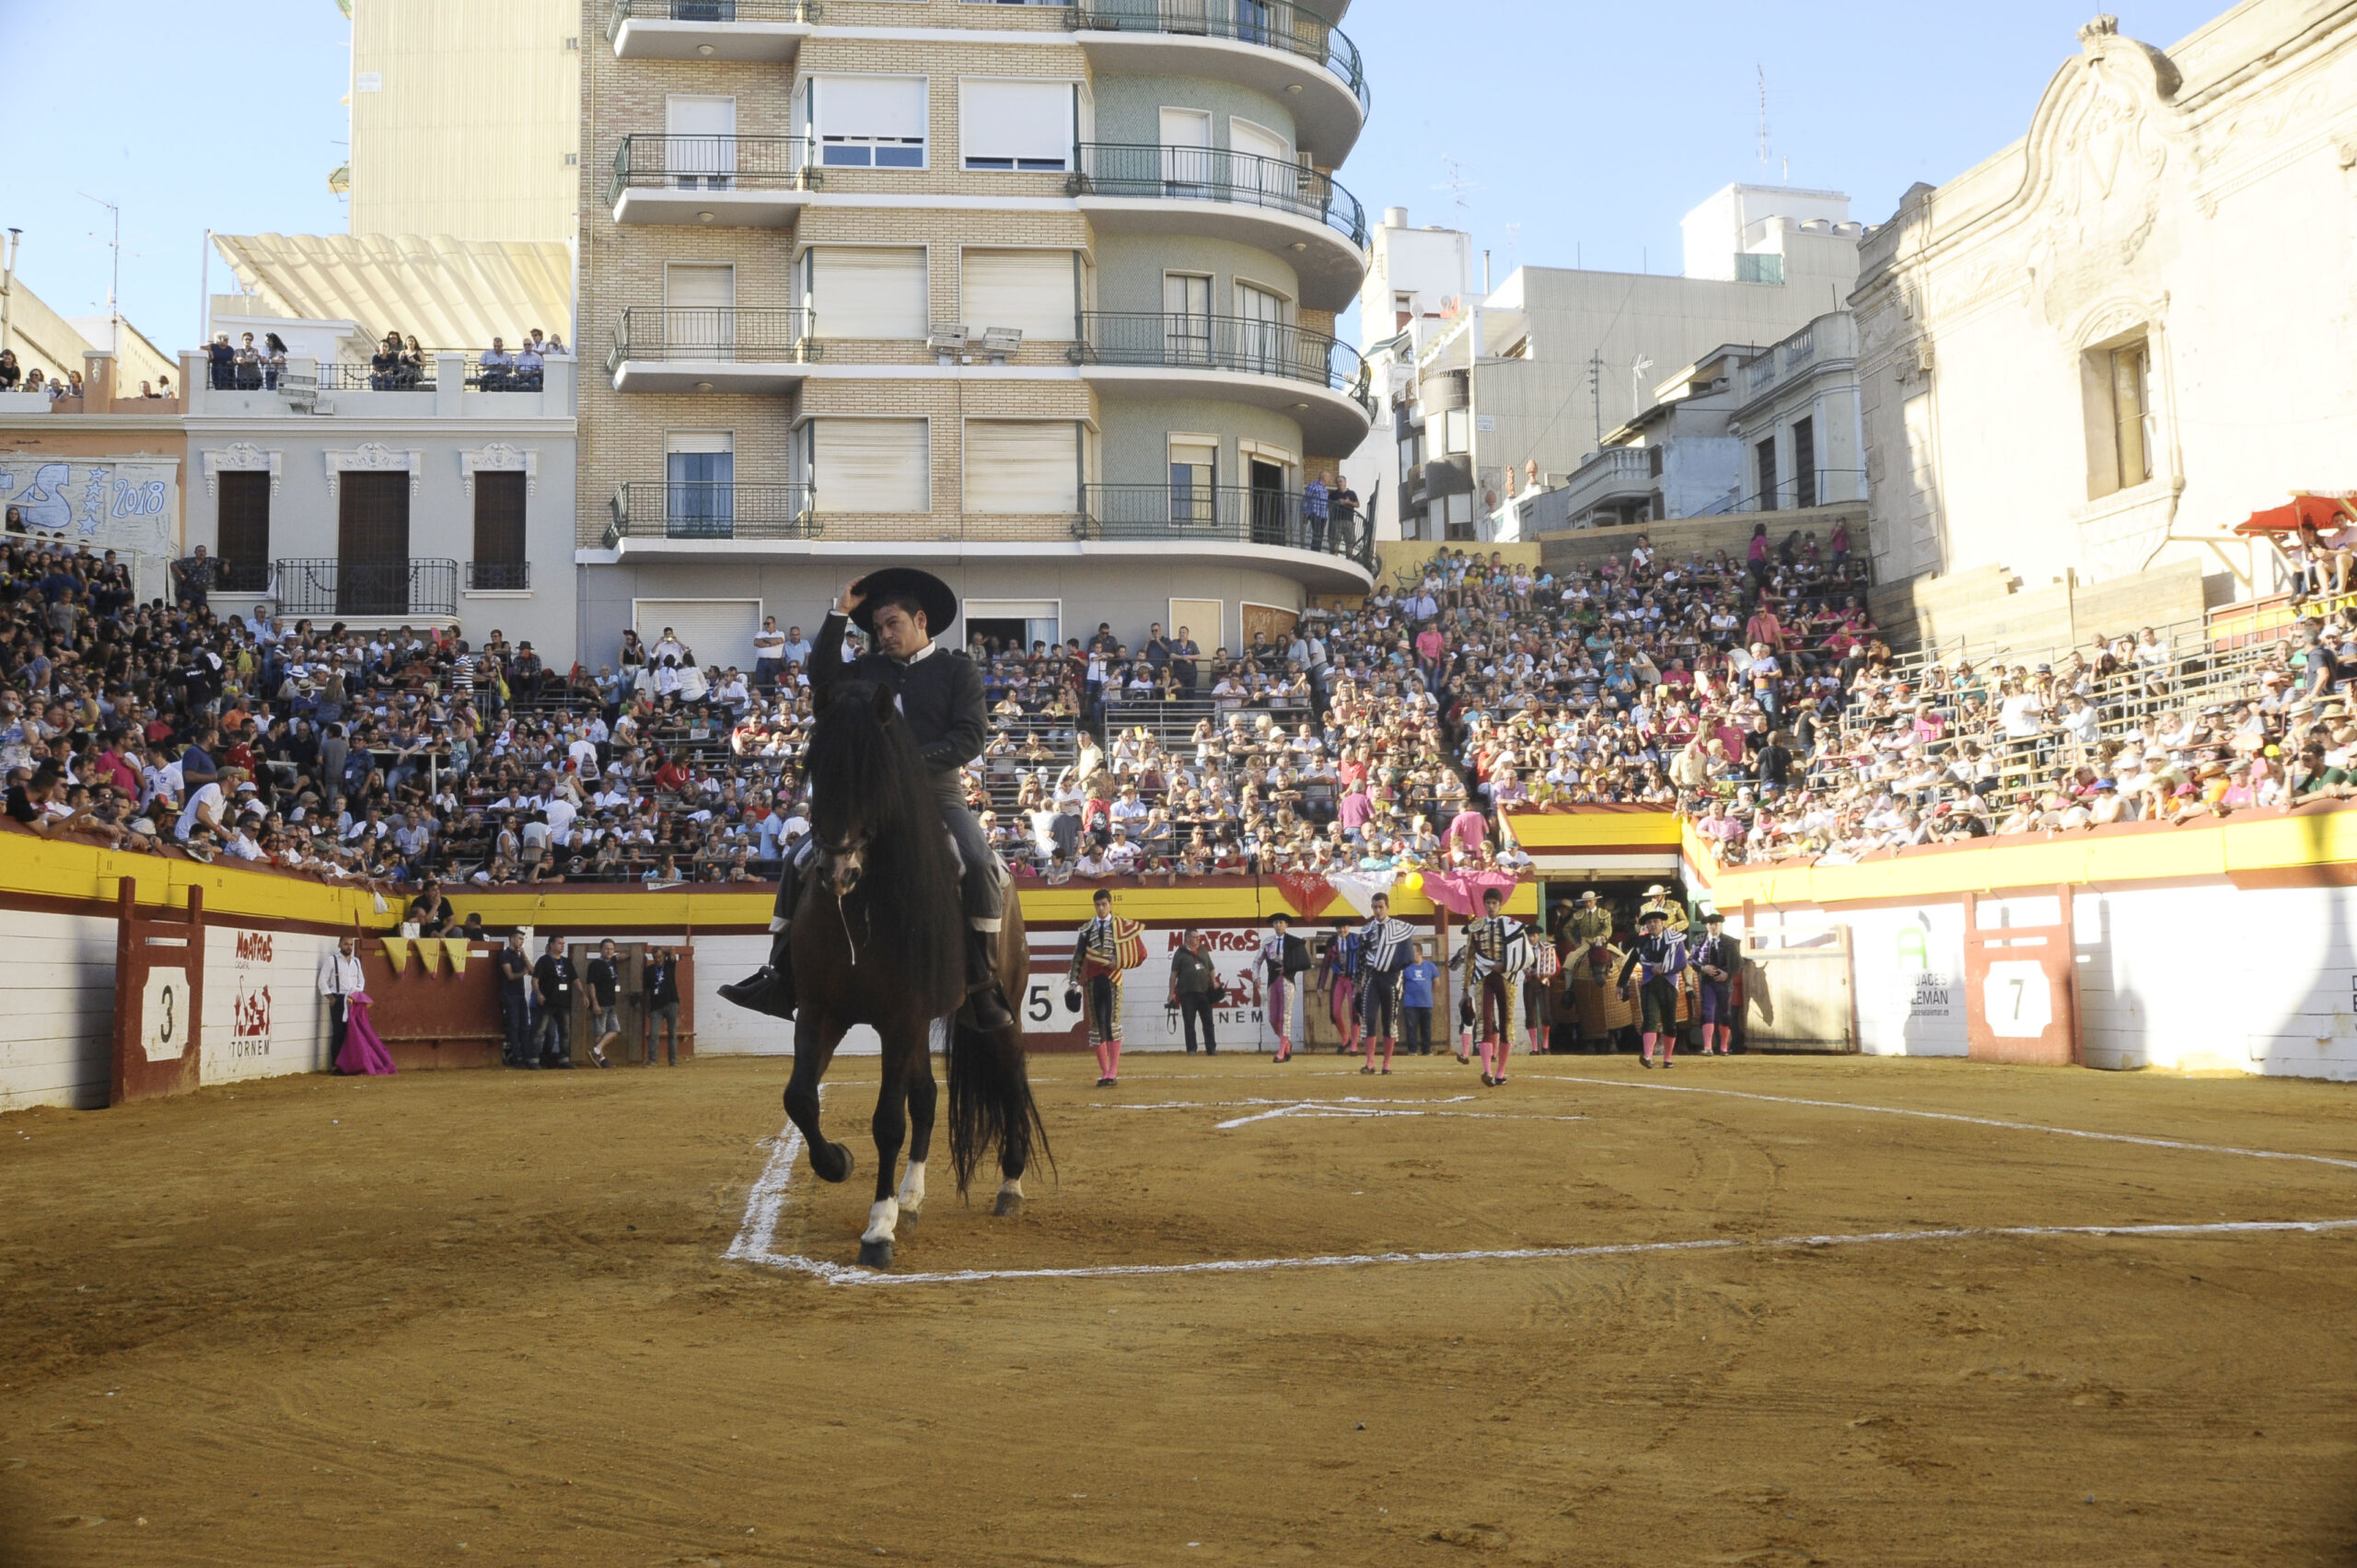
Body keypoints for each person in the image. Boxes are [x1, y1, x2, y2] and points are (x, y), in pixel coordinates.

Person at [720, 568, 1013, 1029]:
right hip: (874, 801)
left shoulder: (958, 669)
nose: (884, 634)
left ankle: (982, 983)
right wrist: (839, 613)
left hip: (938, 796)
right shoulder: (868, 670)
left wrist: (903, 763)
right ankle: (779, 973)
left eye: (892, 623)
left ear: (921, 621)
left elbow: (970, 738)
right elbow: (822, 678)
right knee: (801, 859)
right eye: (877, 628)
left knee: (979, 863)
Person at [1456, 885, 1526, 1086]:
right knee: (1485, 1022)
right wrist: (1464, 990)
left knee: (1506, 1023)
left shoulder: (1513, 925)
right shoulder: (1476, 926)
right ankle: (1487, 1071)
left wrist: (1507, 965)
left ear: (1500, 904)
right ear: (1484, 904)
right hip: (1483, 977)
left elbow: (1522, 954)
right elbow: (1469, 958)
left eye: (1494, 903)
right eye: (1488, 903)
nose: (1491, 907)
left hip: (1506, 977)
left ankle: (1501, 1072)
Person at [1066, 889, 1130, 1086]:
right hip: (1093, 981)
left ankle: (1113, 1071)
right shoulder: (1086, 929)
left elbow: (1136, 953)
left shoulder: (1121, 927)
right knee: (1096, 1026)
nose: (1101, 908)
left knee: (1112, 1024)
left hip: (1113, 980)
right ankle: (1104, 1072)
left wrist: (1119, 960)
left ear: (1110, 904)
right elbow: (1078, 957)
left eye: (1104, 904)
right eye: (1098, 905)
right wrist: (1074, 982)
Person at [1616, 907, 1689, 1069]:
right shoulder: (1642, 941)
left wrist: (1665, 969)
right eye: (1649, 922)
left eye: (1655, 921)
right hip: (1649, 983)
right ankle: (1648, 1055)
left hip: (1669, 984)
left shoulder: (1675, 939)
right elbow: (1631, 962)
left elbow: (1682, 962)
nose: (1653, 924)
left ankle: (1667, 1058)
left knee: (1670, 1021)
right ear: (1646, 926)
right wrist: (1621, 983)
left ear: (1662, 923)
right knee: (1650, 1019)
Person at [1353, 892, 1418, 1075]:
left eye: (1381, 907)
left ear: (1387, 907)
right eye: (1374, 907)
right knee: (1369, 1018)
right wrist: (1357, 983)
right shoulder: (1367, 930)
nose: (1377, 910)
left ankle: (1387, 1064)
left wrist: (1391, 966)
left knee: (1389, 1021)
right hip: (1372, 978)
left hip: (1392, 978)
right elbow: (1361, 959)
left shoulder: (1400, 929)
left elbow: (1407, 956)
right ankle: (1370, 1062)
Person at [1689, 911, 1738, 1056]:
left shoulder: (1730, 941)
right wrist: (1702, 968)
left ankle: (1723, 1047)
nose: (1713, 927)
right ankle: (1708, 1047)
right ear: (1706, 926)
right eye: (1710, 924)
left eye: (1716, 924)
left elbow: (1738, 962)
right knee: (1707, 1011)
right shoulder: (1700, 940)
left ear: (1720, 925)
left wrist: (1727, 974)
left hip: (1724, 983)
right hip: (1707, 982)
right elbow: (1691, 960)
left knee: (1725, 1013)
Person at [1260, 912, 1304, 1063]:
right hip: (1273, 981)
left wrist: (1289, 968)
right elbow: (1256, 962)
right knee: (1273, 1018)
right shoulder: (1267, 942)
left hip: (1287, 981)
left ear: (1286, 925)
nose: (1278, 925)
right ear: (1273, 925)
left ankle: (1281, 1052)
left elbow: (1303, 962)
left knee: (1285, 1016)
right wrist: (1255, 977)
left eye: (1281, 923)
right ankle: (1286, 1045)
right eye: (1276, 923)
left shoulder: (1294, 942)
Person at [1168, 925, 1220, 1055]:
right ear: (1187, 938)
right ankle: (1191, 1049)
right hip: (1187, 993)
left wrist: (1214, 981)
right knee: (1189, 1022)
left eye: (1198, 937)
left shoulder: (1203, 951)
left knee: (1208, 1021)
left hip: (1205, 991)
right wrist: (1171, 993)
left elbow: (1211, 968)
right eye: (1195, 937)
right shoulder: (1179, 953)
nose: (1198, 939)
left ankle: (1211, 1048)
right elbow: (1174, 974)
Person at [317, 933, 365, 1071]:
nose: (348, 947)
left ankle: (349, 1064)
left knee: (352, 1032)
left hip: (352, 1000)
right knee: (339, 1032)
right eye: (346, 944)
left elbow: (361, 980)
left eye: (351, 944)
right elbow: (322, 981)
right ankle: (336, 1065)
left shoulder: (356, 961)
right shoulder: (332, 961)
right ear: (339, 945)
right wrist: (331, 998)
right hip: (338, 999)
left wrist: (357, 993)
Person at [533, 934, 577, 1068]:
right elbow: (535, 979)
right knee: (542, 1031)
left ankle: (564, 1059)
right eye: (559, 943)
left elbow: (575, 979)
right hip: (547, 1002)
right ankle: (534, 1059)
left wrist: (583, 994)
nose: (562, 945)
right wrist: (538, 994)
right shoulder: (543, 961)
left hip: (563, 1003)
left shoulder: (567, 962)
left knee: (565, 1032)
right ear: (551, 945)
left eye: (563, 943)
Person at [496, 930, 535, 1068]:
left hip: (519, 994)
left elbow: (533, 971)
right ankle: (517, 1057)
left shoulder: (519, 956)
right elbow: (510, 976)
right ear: (511, 939)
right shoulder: (505, 955)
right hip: (509, 995)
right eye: (519, 939)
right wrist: (524, 971)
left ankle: (525, 1056)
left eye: (523, 939)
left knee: (524, 1026)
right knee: (514, 1026)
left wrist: (524, 955)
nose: (521, 942)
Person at [585, 937, 623, 1068]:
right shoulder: (595, 964)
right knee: (599, 1032)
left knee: (615, 1030)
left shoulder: (611, 962)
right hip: (600, 1003)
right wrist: (594, 1003)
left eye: (612, 949)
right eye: (606, 948)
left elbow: (621, 956)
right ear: (600, 949)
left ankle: (597, 1049)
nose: (609, 951)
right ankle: (601, 1059)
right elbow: (591, 984)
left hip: (611, 1002)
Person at [644, 946, 683, 1064]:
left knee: (672, 1033)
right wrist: (648, 1007)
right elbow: (647, 991)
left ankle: (673, 1060)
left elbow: (672, 949)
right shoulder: (649, 971)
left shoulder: (670, 965)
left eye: (660, 956)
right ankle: (652, 1060)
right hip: (656, 1006)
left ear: (664, 956)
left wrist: (663, 950)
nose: (658, 959)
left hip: (671, 1003)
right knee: (654, 1034)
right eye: (655, 957)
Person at [1399, 941, 1439, 1056]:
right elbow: (1401, 983)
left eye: (1413, 952)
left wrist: (1430, 994)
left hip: (1426, 1002)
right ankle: (1412, 1050)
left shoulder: (1430, 966)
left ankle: (1426, 1050)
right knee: (1411, 1027)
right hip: (1410, 1003)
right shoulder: (1406, 967)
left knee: (1426, 1028)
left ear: (1419, 952)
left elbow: (1437, 982)